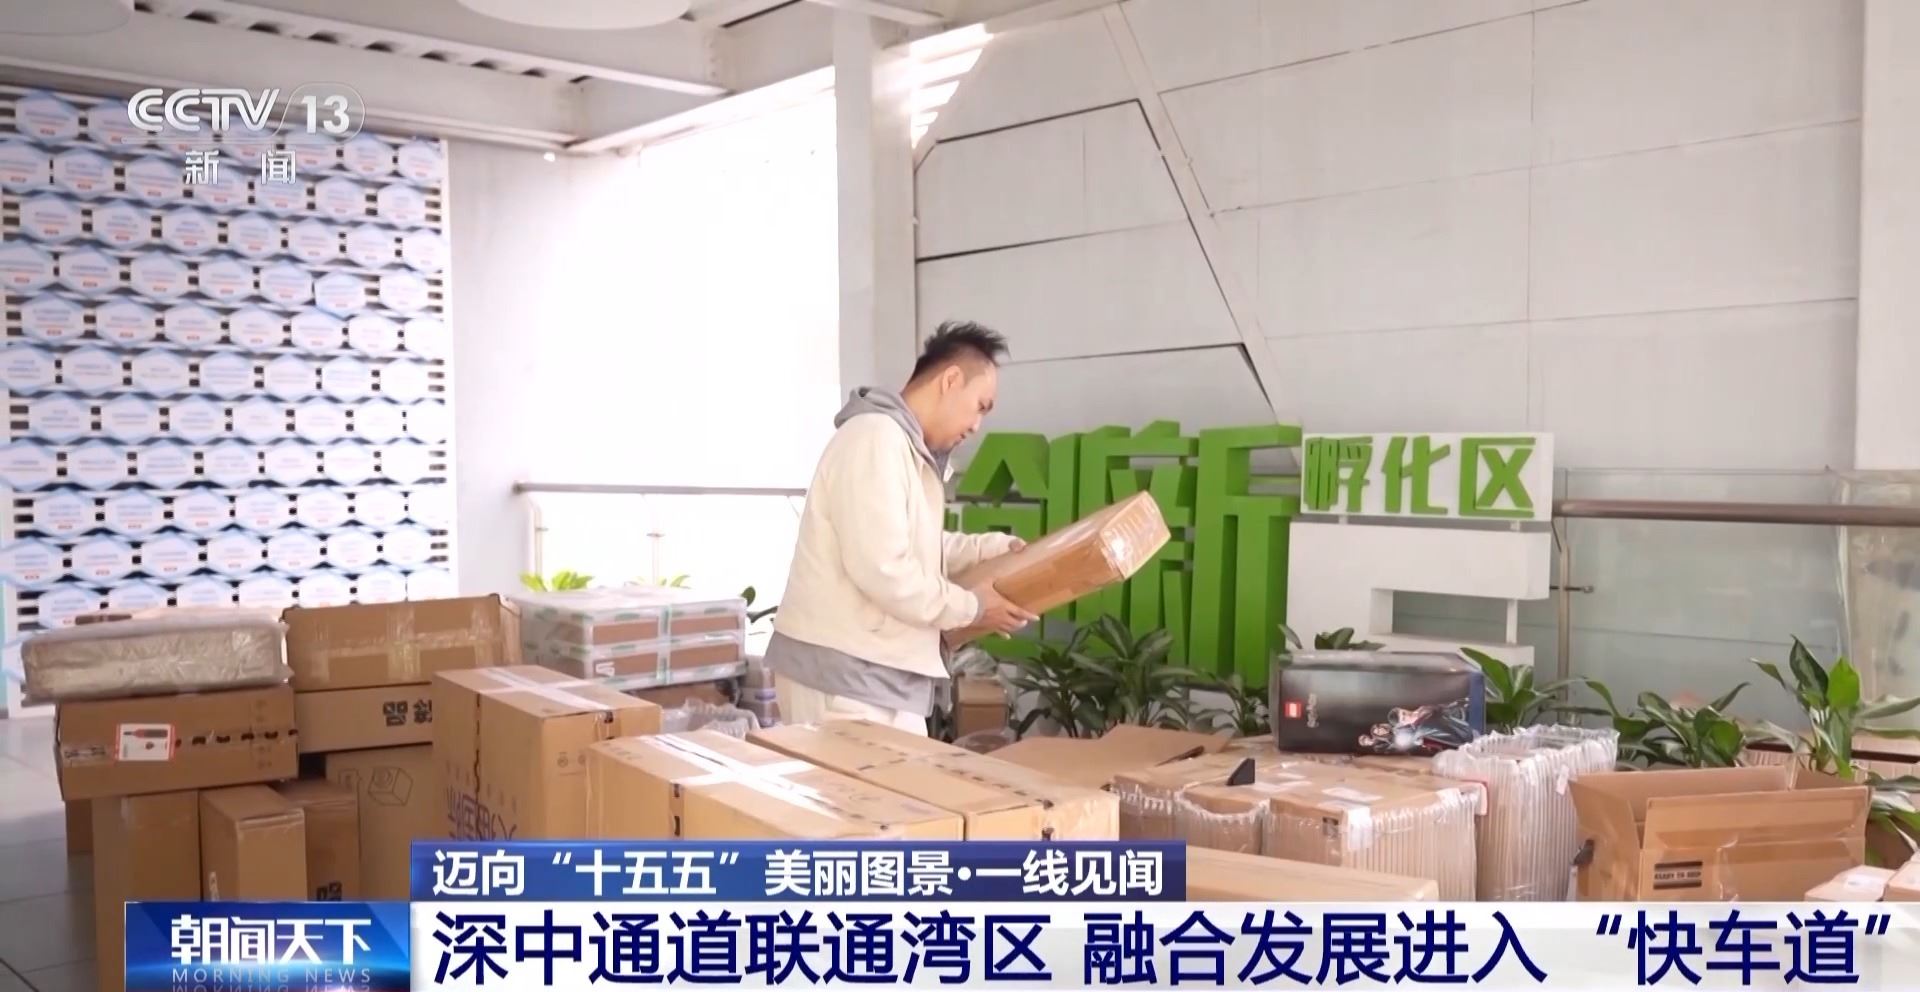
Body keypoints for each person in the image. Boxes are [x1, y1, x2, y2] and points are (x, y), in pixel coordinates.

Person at [765, 321, 1038, 734]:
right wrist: (974, 607)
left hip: (870, 676)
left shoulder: (901, 446)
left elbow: (914, 544)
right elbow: (885, 569)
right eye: (981, 406)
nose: (977, 425)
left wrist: (989, 549)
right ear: (950, 380)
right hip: (844, 677)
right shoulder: (874, 439)